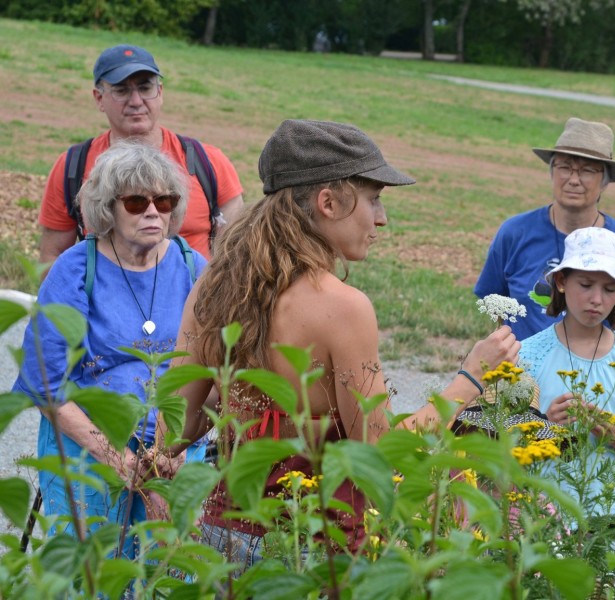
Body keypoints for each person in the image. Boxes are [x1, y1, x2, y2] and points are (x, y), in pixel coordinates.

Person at [168, 119, 520, 564]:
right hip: (312, 552)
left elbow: (173, 427)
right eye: (373, 199)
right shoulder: (344, 308)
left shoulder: (214, 284)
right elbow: (381, 455)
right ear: (328, 202)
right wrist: (470, 379)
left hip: (224, 545)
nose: (382, 218)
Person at [13, 142, 208, 557]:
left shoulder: (196, 270)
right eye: (137, 202)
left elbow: (219, 373)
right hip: (89, 452)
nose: (153, 211)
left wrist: (171, 454)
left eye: (164, 200)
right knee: (93, 573)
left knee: (170, 572)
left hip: (176, 456)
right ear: (108, 208)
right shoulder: (75, 269)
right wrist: (118, 458)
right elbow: (45, 382)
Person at [38, 44, 244, 263]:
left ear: (160, 93)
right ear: (99, 98)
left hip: (198, 296)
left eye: (145, 88)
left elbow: (236, 255)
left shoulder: (210, 163)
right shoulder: (72, 167)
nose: (136, 101)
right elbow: (52, 256)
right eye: (121, 90)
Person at [474, 117, 615, 342]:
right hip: (521, 371)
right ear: (551, 172)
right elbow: (494, 303)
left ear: (605, 181)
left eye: (587, 171)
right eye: (564, 167)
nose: (573, 179)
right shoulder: (514, 233)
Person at [521, 227, 615, 518]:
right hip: (537, 512)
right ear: (561, 281)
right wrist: (545, 424)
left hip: (605, 520)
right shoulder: (527, 356)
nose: (597, 299)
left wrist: (606, 429)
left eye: (610, 289)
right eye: (585, 285)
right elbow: (501, 441)